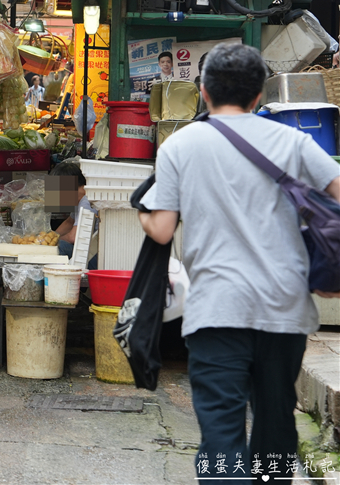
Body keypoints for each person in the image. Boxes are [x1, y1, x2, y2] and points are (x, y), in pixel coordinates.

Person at [137, 43, 340, 482]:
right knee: (275, 426)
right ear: (257, 97)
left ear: (204, 93)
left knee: (222, 435)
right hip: (284, 309)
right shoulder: (294, 141)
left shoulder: (181, 146)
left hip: (217, 311)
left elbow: (163, 230)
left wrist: (142, 211)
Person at [47, 160, 97, 269]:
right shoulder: (78, 200)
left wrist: (53, 241)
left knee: (57, 248)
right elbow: (69, 222)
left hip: (94, 257)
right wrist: (50, 236)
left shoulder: (86, 201)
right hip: (88, 252)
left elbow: (74, 237)